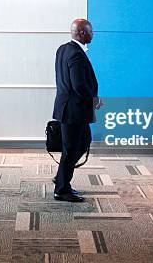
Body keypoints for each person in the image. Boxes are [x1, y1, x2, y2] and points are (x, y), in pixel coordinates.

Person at [52, 18, 102, 202]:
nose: (93, 34)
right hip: (74, 110)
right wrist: (93, 99)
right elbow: (78, 85)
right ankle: (62, 189)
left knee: (82, 142)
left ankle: (61, 177)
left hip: (68, 108)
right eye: (91, 31)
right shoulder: (76, 54)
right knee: (71, 149)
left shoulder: (63, 49)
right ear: (82, 33)